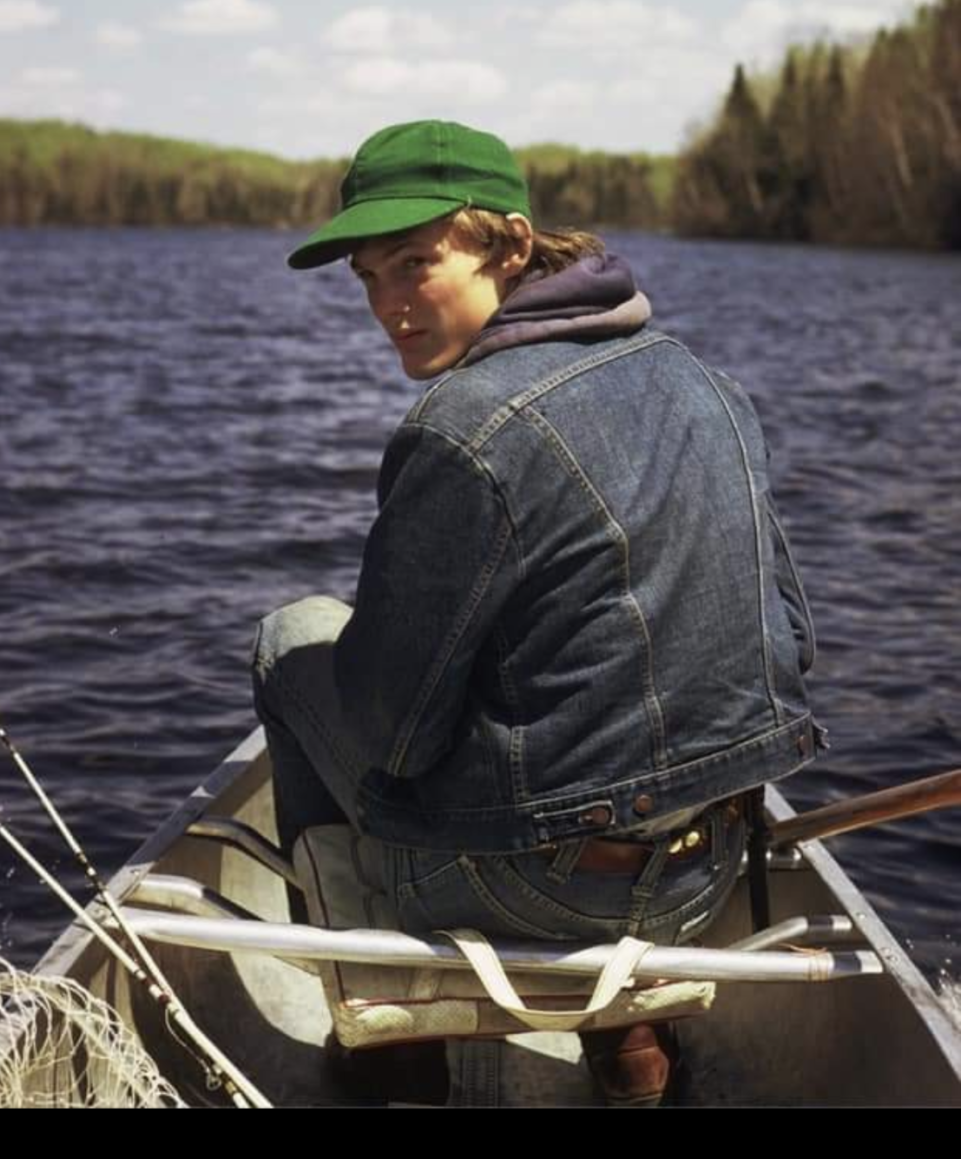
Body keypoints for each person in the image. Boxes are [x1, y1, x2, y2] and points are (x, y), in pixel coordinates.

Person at [252, 118, 820, 1105]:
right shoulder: (707, 385)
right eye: (367, 277)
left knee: (292, 637)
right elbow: (792, 646)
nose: (389, 305)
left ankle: (391, 1029)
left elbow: (394, 735)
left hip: (540, 889)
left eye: (414, 264)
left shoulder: (461, 430)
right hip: (707, 875)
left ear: (511, 246)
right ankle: (628, 1036)